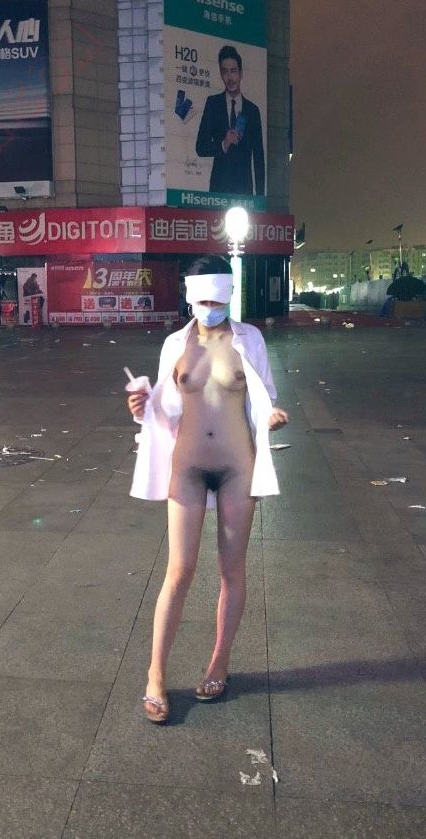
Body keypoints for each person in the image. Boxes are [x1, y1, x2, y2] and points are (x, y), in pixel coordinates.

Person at [127, 255, 288, 723]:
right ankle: (155, 674)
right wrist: (141, 408)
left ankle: (219, 662)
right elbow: (164, 409)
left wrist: (271, 416)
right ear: (190, 297)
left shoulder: (249, 339)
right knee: (178, 570)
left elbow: (264, 396)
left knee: (231, 569)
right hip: (188, 467)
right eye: (203, 301)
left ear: (229, 295)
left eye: (217, 301)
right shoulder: (176, 344)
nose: (210, 309)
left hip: (238, 467)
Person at [195, 45, 265, 196]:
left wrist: (260, 199)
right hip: (218, 189)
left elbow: (258, 157)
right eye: (225, 71)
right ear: (221, 74)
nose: (230, 78)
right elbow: (200, 147)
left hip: (244, 190)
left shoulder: (252, 111)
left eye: (233, 71)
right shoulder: (213, 104)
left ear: (240, 73)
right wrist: (223, 144)